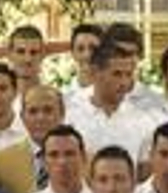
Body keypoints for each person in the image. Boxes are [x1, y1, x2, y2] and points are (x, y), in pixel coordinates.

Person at [67, 40, 157, 176]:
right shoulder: (70, 116)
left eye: (128, 74)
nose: (124, 82)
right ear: (96, 72)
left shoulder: (144, 121)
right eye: (117, 74)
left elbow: (144, 175)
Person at [0, 85, 64, 193]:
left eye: (48, 110)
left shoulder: (86, 161)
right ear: (22, 117)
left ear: (62, 114)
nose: (40, 117)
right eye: (33, 111)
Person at [63, 22, 105, 104]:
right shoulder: (62, 98)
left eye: (93, 48)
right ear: (73, 54)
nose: (87, 55)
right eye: (80, 49)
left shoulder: (116, 94)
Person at [8, 25, 48, 94]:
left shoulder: (54, 99)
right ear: (10, 54)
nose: (27, 59)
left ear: (42, 54)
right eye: (21, 52)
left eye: (33, 52)